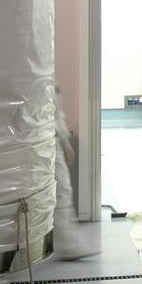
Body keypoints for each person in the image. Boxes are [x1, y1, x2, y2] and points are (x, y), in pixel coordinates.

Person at [52, 90, 99, 260]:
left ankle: (67, 243)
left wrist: (65, 142)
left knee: (62, 191)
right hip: (41, 142)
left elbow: (56, 115)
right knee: (60, 191)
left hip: (51, 141)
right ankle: (67, 245)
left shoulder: (45, 81)